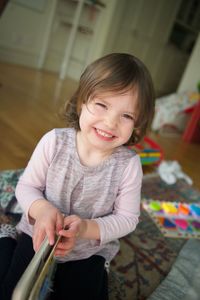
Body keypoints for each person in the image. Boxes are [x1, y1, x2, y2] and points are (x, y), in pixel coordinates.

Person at [0, 53, 155, 300]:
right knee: (12, 290)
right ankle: (9, 242)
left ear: (137, 124)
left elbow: (127, 219)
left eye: (126, 116)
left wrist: (86, 228)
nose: (111, 122)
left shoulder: (129, 165)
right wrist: (41, 210)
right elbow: (27, 186)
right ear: (81, 101)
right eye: (102, 105)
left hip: (88, 249)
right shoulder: (54, 141)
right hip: (37, 235)